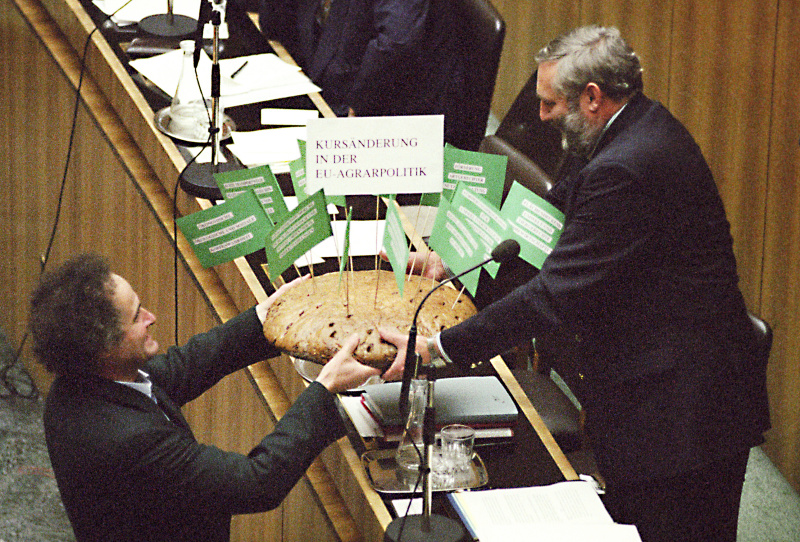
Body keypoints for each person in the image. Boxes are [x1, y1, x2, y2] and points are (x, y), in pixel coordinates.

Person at [380, 25, 770, 542]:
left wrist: (439, 348)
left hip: (685, 412)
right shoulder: (621, 130)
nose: (540, 116)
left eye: (549, 103)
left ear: (591, 97)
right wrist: (455, 261)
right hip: (654, 385)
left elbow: (553, 295)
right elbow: (540, 223)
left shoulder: (628, 166)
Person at [28, 253, 380, 542]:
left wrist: (266, 317)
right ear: (105, 346)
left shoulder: (80, 381)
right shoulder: (129, 440)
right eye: (137, 316)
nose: (151, 317)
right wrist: (325, 388)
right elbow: (257, 482)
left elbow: (183, 366)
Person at [257, 0, 467, 142]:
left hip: (391, 122)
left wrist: (359, 104)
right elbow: (276, 27)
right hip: (325, 93)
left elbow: (396, 44)